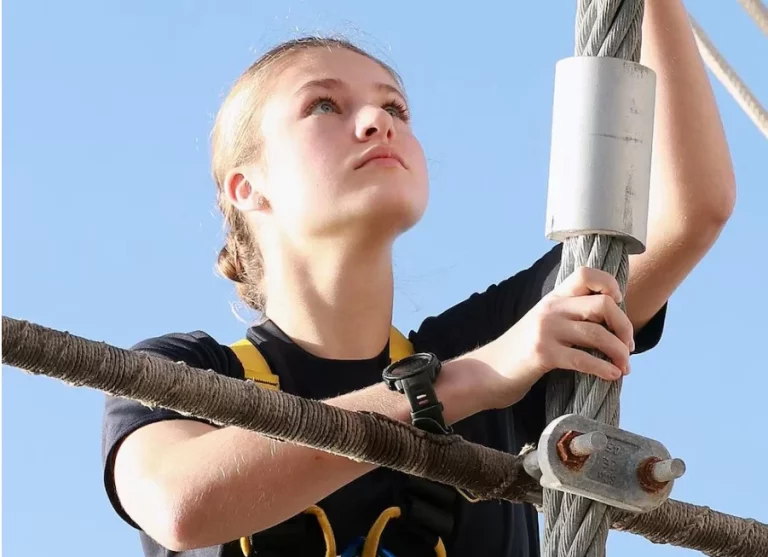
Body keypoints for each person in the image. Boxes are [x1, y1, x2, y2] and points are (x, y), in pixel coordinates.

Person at [101, 2, 736, 556]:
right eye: (324, 104)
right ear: (247, 186)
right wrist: (470, 382)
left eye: (395, 106)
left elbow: (685, 211)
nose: (379, 121)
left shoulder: (494, 337)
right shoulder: (187, 374)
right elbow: (179, 505)